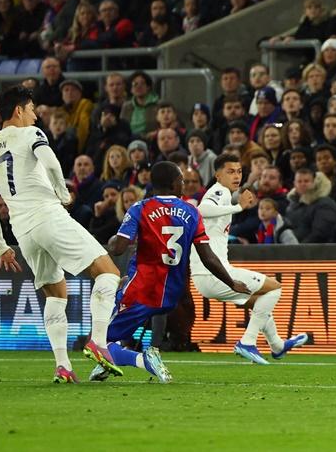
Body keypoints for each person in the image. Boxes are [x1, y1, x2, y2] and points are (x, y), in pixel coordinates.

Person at [0, 85, 122, 384]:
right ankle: (98, 341)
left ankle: (63, 366)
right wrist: (61, 191)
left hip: (23, 231)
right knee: (108, 273)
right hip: (47, 214)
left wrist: (1, 246)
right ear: (18, 110)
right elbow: (51, 161)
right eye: (31, 110)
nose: (35, 116)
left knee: (56, 294)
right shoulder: (30, 134)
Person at [90, 161, 250, 383]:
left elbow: (117, 249)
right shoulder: (192, 211)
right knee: (116, 329)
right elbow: (208, 256)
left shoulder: (140, 208)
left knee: (98, 341)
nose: (183, 184)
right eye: (182, 180)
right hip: (172, 293)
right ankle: (105, 366)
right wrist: (231, 282)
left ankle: (142, 359)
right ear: (174, 184)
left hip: (142, 289)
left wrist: (113, 239)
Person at [195, 154, 309, 364]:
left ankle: (277, 345)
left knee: (258, 302)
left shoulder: (224, 193)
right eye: (230, 171)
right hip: (213, 272)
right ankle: (247, 341)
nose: (236, 175)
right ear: (217, 174)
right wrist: (239, 208)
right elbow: (202, 210)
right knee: (274, 288)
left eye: (239, 171)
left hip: (206, 276)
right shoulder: (218, 191)